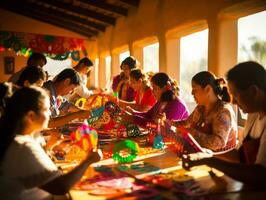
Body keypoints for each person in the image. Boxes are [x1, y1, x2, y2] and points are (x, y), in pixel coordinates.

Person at [0, 87, 102, 199]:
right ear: (31, 116)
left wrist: (49, 146)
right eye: (46, 109)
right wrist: (89, 160)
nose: (50, 113)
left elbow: (31, 167)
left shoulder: (20, 140)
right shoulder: (21, 146)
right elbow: (60, 186)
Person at [182, 61, 266, 187]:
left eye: (236, 95)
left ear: (253, 91)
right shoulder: (253, 114)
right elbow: (239, 154)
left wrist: (211, 161)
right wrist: (206, 156)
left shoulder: (224, 111)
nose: (233, 101)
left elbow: (260, 175)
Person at [170, 71, 237, 152]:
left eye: (195, 89)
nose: (192, 93)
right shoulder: (200, 108)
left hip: (219, 159)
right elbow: (186, 123)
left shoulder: (223, 111)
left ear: (208, 89)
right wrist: (169, 122)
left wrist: (192, 133)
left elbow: (219, 143)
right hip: (202, 155)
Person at [122, 72, 189, 128]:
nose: (152, 91)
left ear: (164, 88)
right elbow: (149, 115)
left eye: (154, 88)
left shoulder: (176, 105)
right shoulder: (161, 101)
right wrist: (133, 112)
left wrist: (133, 118)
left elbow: (161, 127)